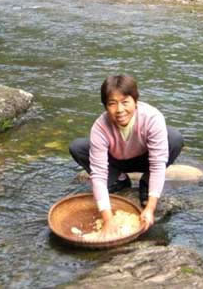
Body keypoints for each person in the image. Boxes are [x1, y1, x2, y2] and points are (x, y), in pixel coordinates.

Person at [69, 74, 184, 239]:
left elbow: (158, 164)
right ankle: (120, 180)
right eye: (112, 104)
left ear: (135, 101)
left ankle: (146, 181)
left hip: (146, 159)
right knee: (78, 147)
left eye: (125, 102)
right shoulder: (100, 127)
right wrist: (108, 220)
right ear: (105, 106)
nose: (120, 110)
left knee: (174, 138)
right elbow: (99, 176)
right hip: (115, 160)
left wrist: (150, 208)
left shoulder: (152, 117)